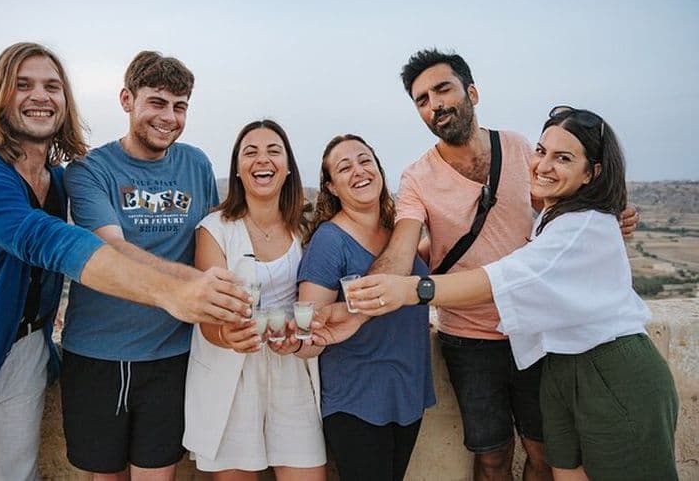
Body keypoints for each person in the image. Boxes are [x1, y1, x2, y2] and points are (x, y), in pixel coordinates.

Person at [0, 43, 249, 481]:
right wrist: (176, 290)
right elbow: (51, 241)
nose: (40, 96)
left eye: (52, 86)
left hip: (27, 354)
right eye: (23, 85)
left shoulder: (58, 180)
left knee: (19, 474)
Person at [348, 106, 679, 481]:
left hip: (610, 368)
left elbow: (501, 278)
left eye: (564, 158)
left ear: (592, 172)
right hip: (560, 365)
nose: (543, 165)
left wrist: (414, 289)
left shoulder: (582, 226)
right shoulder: (555, 220)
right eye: (542, 151)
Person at [60, 51, 229, 480]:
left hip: (172, 355)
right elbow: (112, 249)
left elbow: (211, 238)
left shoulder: (196, 163)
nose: (169, 117)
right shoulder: (89, 169)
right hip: (98, 353)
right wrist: (195, 282)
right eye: (157, 102)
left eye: (180, 106)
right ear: (127, 99)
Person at [183, 119, 326, 480]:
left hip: (293, 369)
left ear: (288, 167)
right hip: (231, 373)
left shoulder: (305, 229)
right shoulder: (214, 229)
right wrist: (227, 335)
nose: (263, 159)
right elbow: (208, 316)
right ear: (237, 169)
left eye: (273, 151)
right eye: (251, 152)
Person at [294, 134, 435, 481]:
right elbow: (310, 328)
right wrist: (294, 341)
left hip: (407, 389)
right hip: (356, 398)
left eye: (365, 160)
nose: (359, 171)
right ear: (332, 187)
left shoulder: (400, 234)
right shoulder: (330, 240)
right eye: (345, 168)